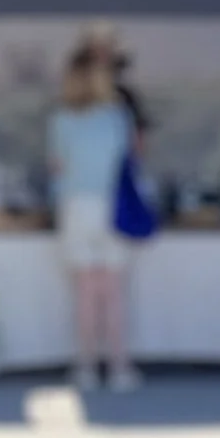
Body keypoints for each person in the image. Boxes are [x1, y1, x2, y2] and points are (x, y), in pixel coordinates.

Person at [50, 34, 139, 394]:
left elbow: (57, 167)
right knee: (113, 291)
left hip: (76, 207)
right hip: (111, 206)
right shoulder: (118, 118)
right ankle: (119, 367)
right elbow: (130, 160)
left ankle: (86, 366)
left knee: (85, 292)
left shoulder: (62, 120)